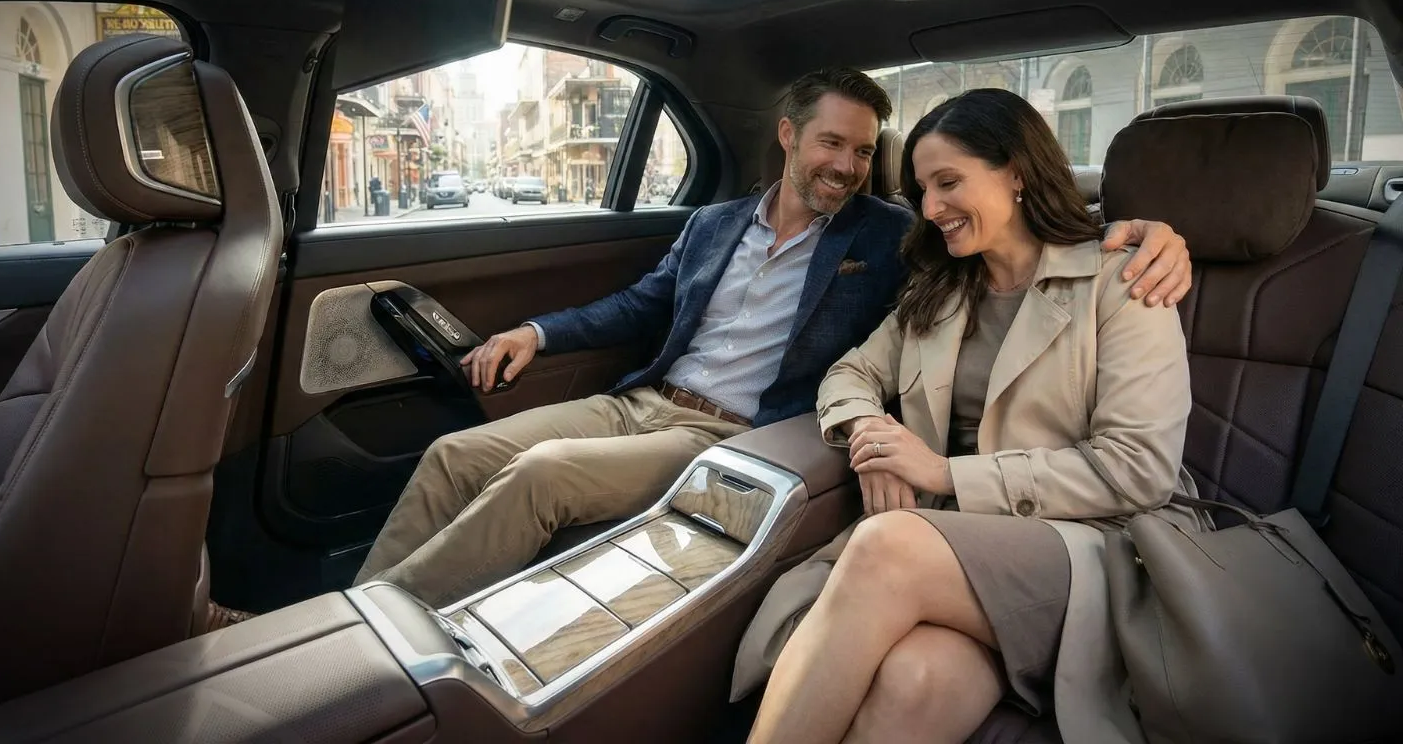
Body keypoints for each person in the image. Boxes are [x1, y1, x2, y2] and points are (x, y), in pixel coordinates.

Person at [353, 71, 1193, 609]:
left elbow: (1018, 244)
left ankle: (365, 647)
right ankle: (336, 619)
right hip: (635, 404)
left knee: (537, 476)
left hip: (723, 432)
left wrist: (1140, 229)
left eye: (865, 153)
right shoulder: (714, 223)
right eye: (831, 143)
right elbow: (639, 307)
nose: (848, 166)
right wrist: (536, 330)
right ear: (789, 136)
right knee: (455, 453)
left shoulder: (891, 235)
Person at [735, 88, 1209, 744]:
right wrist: (870, 429)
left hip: (1092, 547)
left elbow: (1140, 469)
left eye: (949, 182)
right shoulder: (941, 288)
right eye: (923, 189)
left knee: (888, 543)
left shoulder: (1125, 281)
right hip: (960, 552)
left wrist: (945, 472)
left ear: (1016, 170)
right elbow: (851, 373)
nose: (929, 209)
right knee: (914, 681)